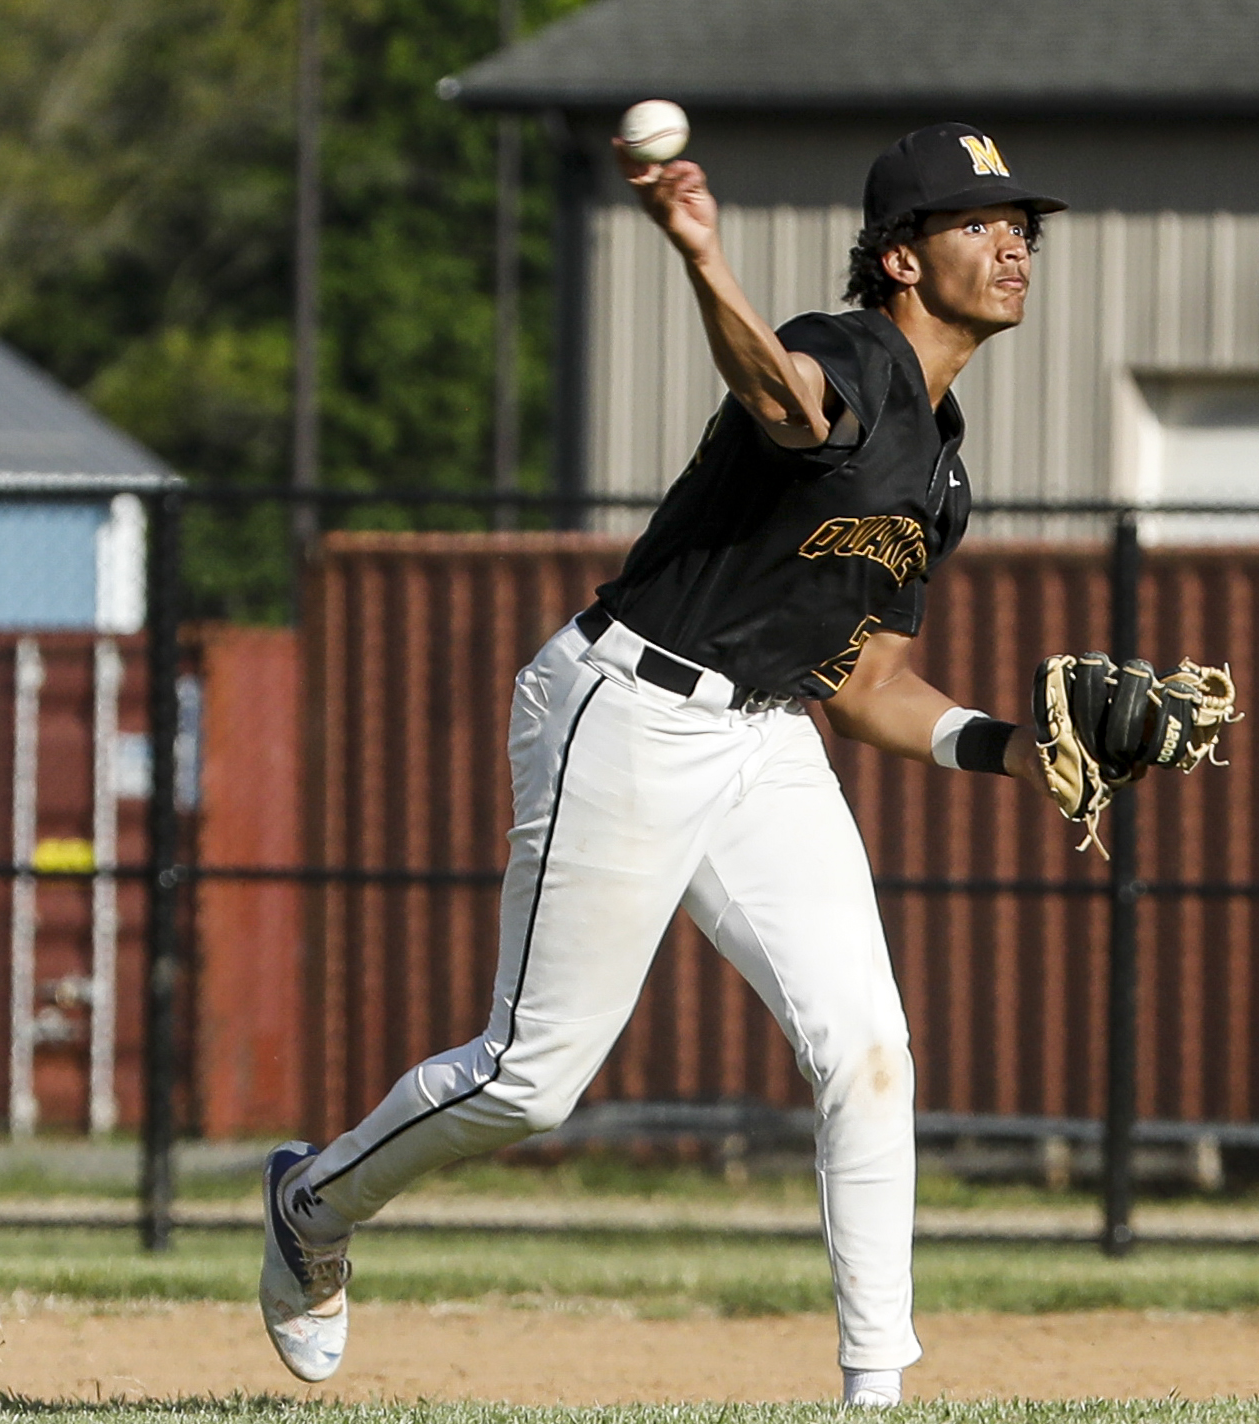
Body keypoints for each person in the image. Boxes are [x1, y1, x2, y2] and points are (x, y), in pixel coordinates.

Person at [257, 121, 1067, 1407]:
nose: (1014, 241)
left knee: (868, 1046)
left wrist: (1013, 753)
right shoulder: (848, 349)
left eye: (1022, 222)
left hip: (764, 736)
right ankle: (311, 1201)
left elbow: (863, 688)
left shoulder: (942, 473)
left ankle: (876, 1390)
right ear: (903, 259)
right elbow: (779, 398)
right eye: (981, 222)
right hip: (626, 703)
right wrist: (701, 254)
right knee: (531, 1083)